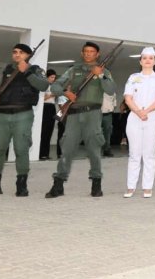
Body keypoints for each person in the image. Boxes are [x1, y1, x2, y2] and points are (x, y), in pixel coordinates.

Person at [0, 43, 49, 197]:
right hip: (1, 115)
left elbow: (43, 85)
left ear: (28, 55)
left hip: (23, 115)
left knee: (21, 149)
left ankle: (21, 184)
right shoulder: (4, 71)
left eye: (21, 52)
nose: (17, 54)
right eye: (15, 52)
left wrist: (27, 72)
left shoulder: (35, 70)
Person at [45, 41, 117, 198]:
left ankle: (96, 184)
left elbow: (111, 90)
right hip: (73, 115)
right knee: (67, 150)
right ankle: (58, 185)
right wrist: (66, 93)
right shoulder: (73, 70)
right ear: (82, 53)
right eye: (86, 51)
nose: (88, 54)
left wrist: (101, 75)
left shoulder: (104, 71)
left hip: (93, 114)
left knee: (94, 150)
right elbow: (55, 86)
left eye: (92, 51)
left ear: (97, 54)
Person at [123, 47, 155, 198]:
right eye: (144, 58)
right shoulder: (133, 77)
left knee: (148, 154)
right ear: (140, 61)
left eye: (151, 58)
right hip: (134, 117)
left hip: (151, 116)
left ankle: (147, 187)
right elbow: (128, 98)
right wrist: (138, 112)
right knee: (134, 154)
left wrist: (146, 111)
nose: (148, 60)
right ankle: (130, 187)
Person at [39, 68, 58, 160]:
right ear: (47, 77)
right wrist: (52, 94)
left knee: (49, 131)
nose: (53, 79)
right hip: (45, 107)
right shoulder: (43, 86)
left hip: (52, 107)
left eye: (54, 77)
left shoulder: (53, 86)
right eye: (51, 77)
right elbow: (42, 99)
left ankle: (46, 153)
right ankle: (41, 153)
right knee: (44, 131)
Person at [101, 92, 116, 157]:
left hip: (108, 114)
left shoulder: (112, 92)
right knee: (95, 133)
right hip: (97, 114)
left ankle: (106, 150)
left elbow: (114, 104)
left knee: (107, 133)